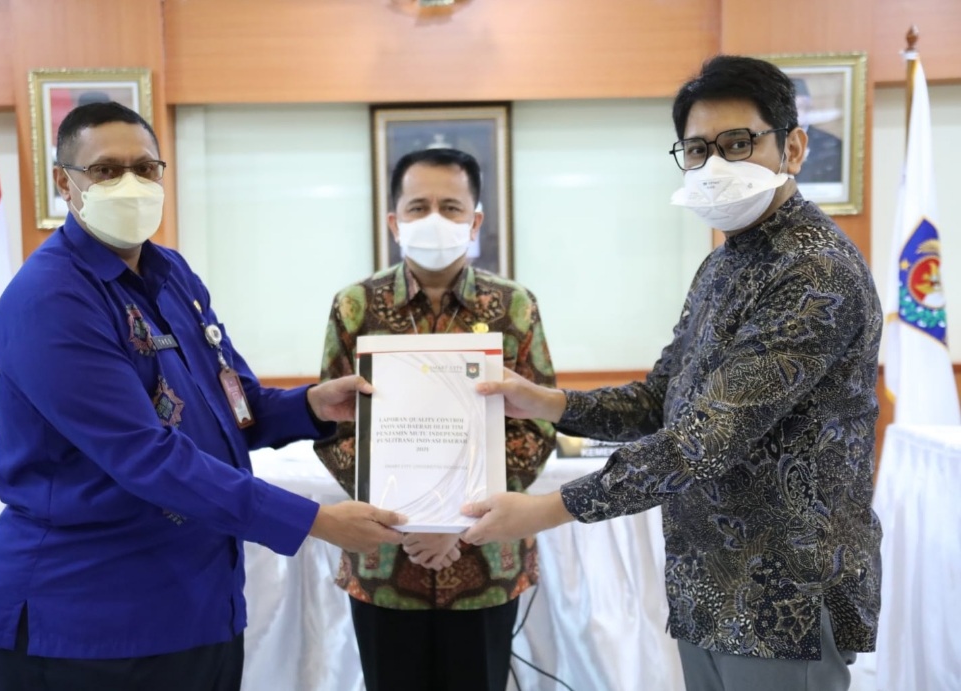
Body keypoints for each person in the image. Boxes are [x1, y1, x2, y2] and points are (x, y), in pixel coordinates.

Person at [461, 56, 882, 691]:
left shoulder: (815, 270)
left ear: (793, 146)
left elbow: (705, 439)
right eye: (698, 149)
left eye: (737, 143)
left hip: (786, 590)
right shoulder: (726, 262)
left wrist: (545, 510)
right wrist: (546, 403)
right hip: (711, 578)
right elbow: (662, 398)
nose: (715, 165)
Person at [0, 101, 405, 691]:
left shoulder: (170, 273)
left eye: (145, 168)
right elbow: (145, 457)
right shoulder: (52, 298)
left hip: (195, 603)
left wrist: (309, 407)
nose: (130, 184)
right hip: (86, 619)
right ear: (64, 184)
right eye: (105, 170)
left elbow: (231, 403)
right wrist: (316, 521)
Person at [314, 147, 556, 691]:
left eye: (450, 207)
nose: (434, 218)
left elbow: (535, 428)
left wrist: (457, 524)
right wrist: (409, 520)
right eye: (418, 206)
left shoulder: (514, 306)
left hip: (485, 562)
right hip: (385, 562)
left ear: (475, 221)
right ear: (394, 221)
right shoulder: (355, 307)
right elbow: (336, 427)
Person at [793, 78, 844, 183]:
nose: (796, 113)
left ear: (809, 108)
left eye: (800, 107)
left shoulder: (831, 144)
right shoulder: (772, 141)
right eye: (793, 108)